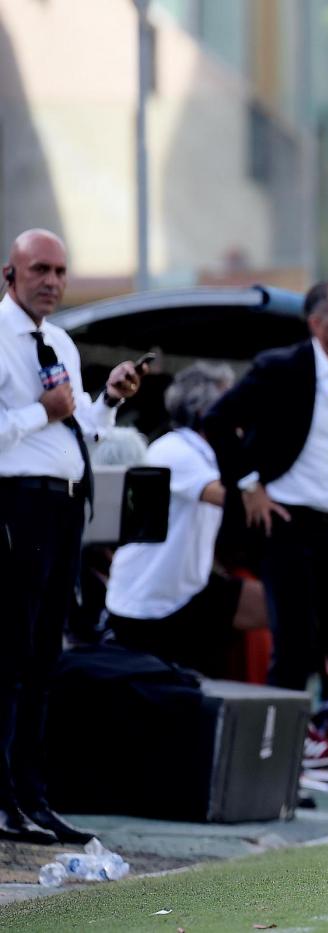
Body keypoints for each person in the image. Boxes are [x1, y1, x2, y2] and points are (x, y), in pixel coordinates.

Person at [202, 279, 328, 815]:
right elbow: (217, 420)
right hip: (288, 525)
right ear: (317, 323)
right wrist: (248, 486)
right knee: (292, 653)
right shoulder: (281, 367)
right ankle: (279, 782)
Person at [0, 229, 143, 844]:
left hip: (63, 504)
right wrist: (46, 411)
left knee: (44, 655)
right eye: (40, 269)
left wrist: (106, 399)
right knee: (11, 653)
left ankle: (33, 797)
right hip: (16, 503)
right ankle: (4, 800)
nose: (52, 281)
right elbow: (38, 419)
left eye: (60, 270)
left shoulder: (58, 341)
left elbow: (77, 425)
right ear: (10, 273)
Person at [105, 362, 269, 676]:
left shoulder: (210, 453)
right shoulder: (175, 450)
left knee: (280, 606)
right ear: (204, 412)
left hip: (189, 591)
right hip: (147, 601)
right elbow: (229, 498)